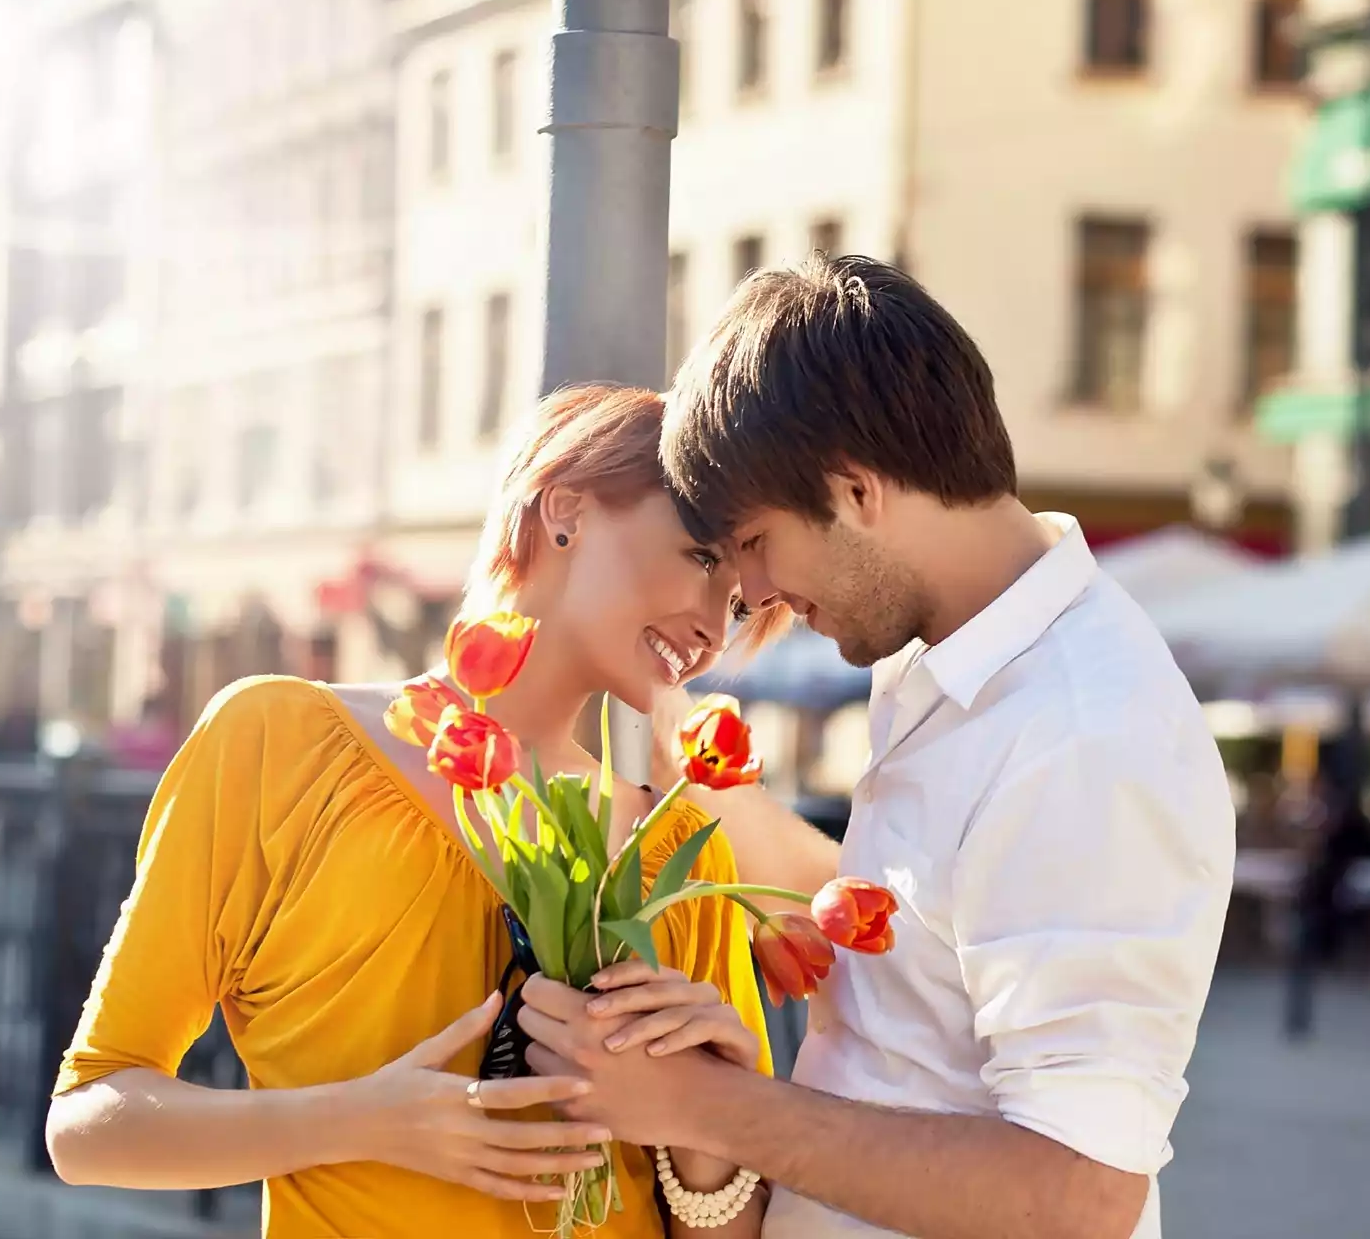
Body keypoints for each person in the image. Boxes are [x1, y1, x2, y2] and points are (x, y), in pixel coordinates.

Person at [518, 255, 1236, 1239]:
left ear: (855, 491)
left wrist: (703, 1106)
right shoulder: (941, 662)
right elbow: (918, 1007)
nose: (754, 595)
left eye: (754, 542)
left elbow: (1077, 1195)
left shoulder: (1083, 732)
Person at [45, 384, 779, 1238]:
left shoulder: (679, 851)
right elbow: (89, 1122)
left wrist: (704, 1122)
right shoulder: (279, 744)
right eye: (701, 559)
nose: (714, 629)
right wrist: (365, 1121)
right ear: (567, 509)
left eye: (738, 604)